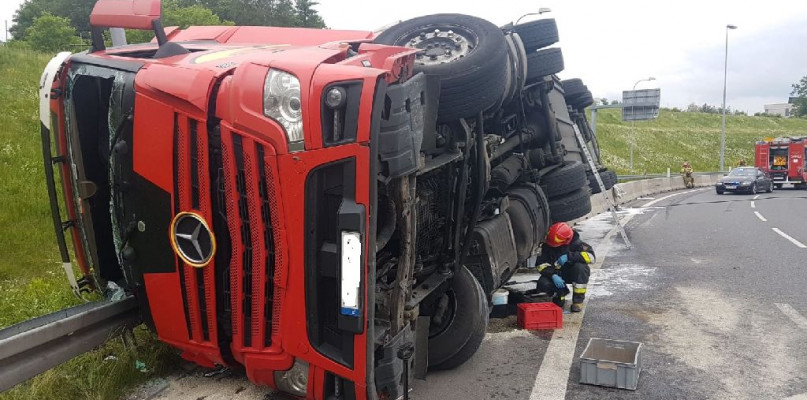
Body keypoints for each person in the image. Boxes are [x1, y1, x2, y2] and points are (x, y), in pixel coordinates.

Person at [534, 222, 595, 313]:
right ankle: (558, 298)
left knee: (581, 268)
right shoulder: (548, 245)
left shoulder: (577, 244)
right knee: (543, 283)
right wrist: (553, 275)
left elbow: (591, 257)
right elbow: (540, 264)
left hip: (572, 273)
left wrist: (569, 256)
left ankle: (577, 302)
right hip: (555, 275)